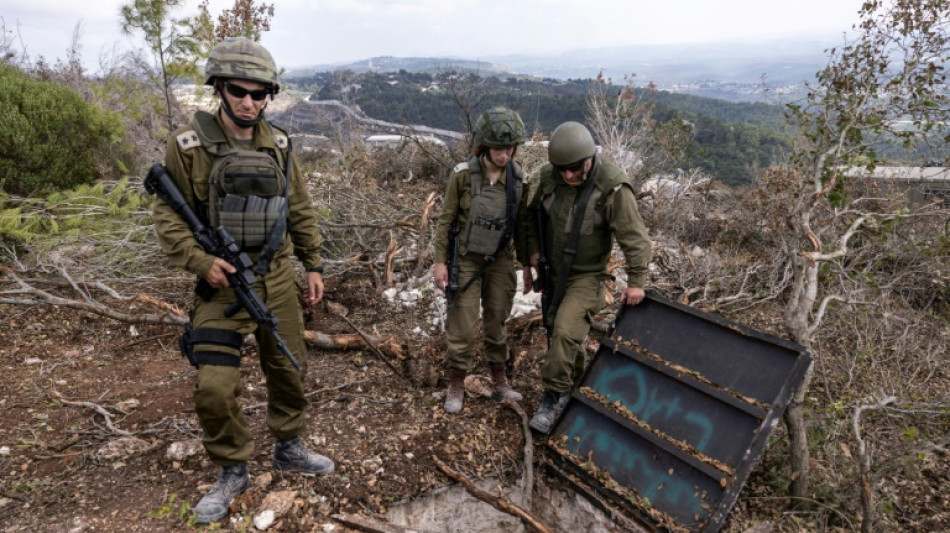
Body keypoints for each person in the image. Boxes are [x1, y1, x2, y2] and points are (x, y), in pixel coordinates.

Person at [151, 37, 334, 524]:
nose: (249, 102)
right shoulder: (187, 147)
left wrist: (312, 264)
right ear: (219, 88)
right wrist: (199, 261)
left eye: (259, 94)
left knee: (290, 367)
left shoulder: (278, 143)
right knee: (213, 387)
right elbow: (168, 217)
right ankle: (232, 466)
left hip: (274, 276)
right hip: (221, 284)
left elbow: (299, 207)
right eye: (238, 91)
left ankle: (289, 445)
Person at [523, 121, 652, 434]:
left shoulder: (612, 187)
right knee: (559, 330)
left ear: (590, 159)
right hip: (552, 271)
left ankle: (552, 398)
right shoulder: (547, 178)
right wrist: (531, 255)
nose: (569, 176)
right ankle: (581, 383)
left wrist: (636, 281)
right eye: (562, 169)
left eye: (575, 169)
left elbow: (635, 238)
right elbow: (528, 218)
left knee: (565, 331)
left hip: (588, 275)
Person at [432, 106, 532, 414]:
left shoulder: (518, 179)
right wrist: (440, 261)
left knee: (497, 320)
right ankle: (457, 383)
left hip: (501, 259)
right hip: (466, 258)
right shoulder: (463, 176)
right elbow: (446, 220)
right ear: (485, 145)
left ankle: (499, 380)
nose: (505, 154)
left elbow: (523, 227)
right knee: (462, 324)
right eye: (499, 148)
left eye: (510, 148)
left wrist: (527, 265)